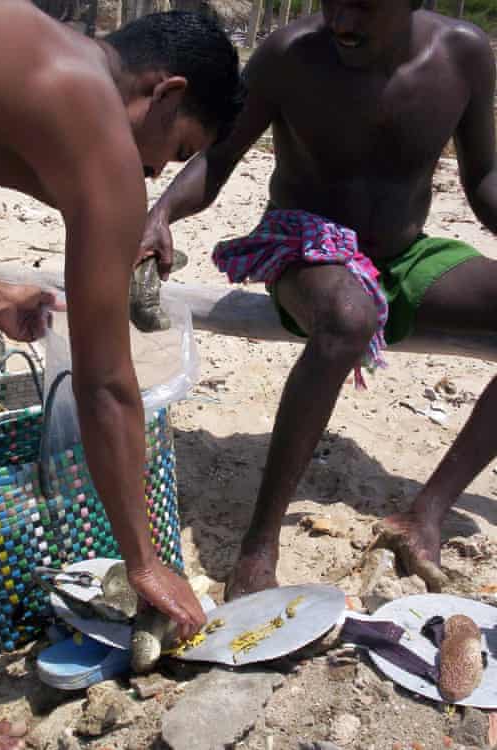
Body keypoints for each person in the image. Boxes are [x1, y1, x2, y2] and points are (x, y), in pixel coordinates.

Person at [0, 3, 242, 749]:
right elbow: (105, 383)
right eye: (172, 150)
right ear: (166, 92)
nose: (152, 174)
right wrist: (144, 562)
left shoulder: (28, 52)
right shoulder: (98, 125)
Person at [140, 0, 497, 599]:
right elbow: (219, 157)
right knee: (347, 318)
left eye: (362, 5)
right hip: (302, 244)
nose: (342, 19)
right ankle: (259, 541)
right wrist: (162, 212)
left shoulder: (463, 55)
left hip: (403, 253)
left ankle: (424, 514)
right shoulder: (289, 56)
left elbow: (484, 180)